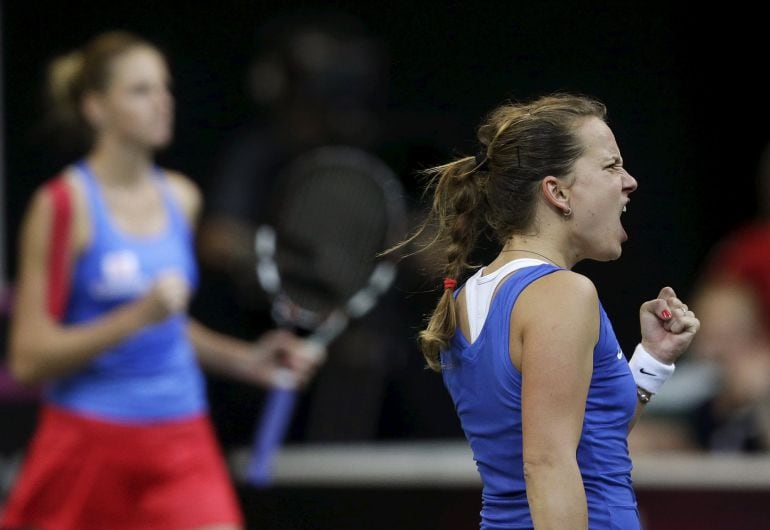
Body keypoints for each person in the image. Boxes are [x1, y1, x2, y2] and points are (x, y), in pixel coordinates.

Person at [0, 30, 319, 530]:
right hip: (87, 443)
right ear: (95, 107)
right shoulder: (62, 205)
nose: (162, 102)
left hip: (180, 438)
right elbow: (29, 358)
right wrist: (133, 317)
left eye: (164, 88)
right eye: (141, 90)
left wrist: (247, 359)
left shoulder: (181, 197)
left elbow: (170, 327)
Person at [397, 93, 700, 529]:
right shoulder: (563, 294)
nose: (629, 181)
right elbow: (547, 465)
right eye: (611, 166)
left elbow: (590, 440)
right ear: (557, 192)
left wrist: (652, 360)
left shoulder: (469, 296)